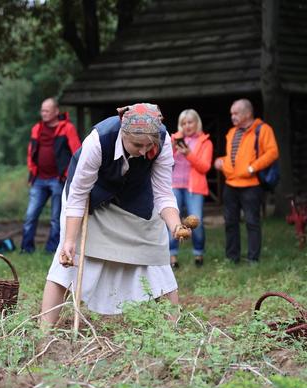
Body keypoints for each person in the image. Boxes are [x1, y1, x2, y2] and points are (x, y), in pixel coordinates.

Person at [39, 103, 188, 326]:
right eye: (137, 144)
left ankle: (174, 333)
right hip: (92, 199)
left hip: (134, 199)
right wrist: (69, 241)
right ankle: (43, 332)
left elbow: (164, 193)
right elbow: (78, 195)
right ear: (123, 133)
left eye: (149, 145)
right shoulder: (99, 140)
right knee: (69, 260)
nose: (144, 151)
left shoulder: (163, 141)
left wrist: (175, 225)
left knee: (157, 259)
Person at [214, 99, 279, 264]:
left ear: (248, 113)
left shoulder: (263, 129)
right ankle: (232, 257)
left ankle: (253, 259)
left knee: (252, 222)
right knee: (230, 223)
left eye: (236, 113)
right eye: (231, 114)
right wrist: (221, 162)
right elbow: (234, 158)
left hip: (251, 185)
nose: (232, 117)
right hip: (231, 184)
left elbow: (272, 152)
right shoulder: (232, 132)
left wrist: (253, 168)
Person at [21, 98, 81, 253]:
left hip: (58, 179)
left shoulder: (67, 128)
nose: (44, 113)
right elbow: (30, 151)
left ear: (56, 111)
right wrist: (32, 170)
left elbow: (77, 152)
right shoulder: (37, 128)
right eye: (42, 110)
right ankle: (26, 248)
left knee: (56, 218)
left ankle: (51, 249)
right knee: (30, 215)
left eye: (47, 110)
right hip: (39, 179)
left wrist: (68, 174)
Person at [169, 109, 213, 268]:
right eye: (183, 123)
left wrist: (188, 153)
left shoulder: (205, 142)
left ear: (197, 123)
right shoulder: (174, 139)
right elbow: (164, 162)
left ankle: (198, 254)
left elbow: (205, 167)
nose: (187, 126)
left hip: (194, 187)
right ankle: (172, 257)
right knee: (173, 222)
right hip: (174, 185)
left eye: (190, 122)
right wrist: (173, 147)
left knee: (196, 222)